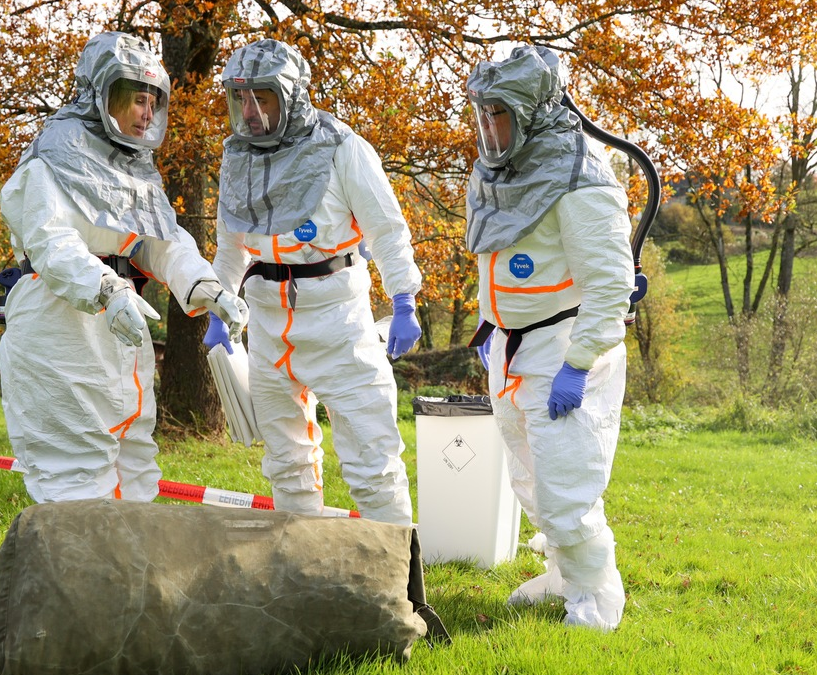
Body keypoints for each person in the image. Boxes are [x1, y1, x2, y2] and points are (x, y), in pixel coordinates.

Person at [0, 31, 247, 503]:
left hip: (119, 333)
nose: (146, 112)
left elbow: (161, 243)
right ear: (98, 93)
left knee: (135, 467)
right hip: (60, 330)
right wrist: (107, 290)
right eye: (134, 98)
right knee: (73, 475)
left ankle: (131, 576)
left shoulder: (133, 170)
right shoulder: (52, 158)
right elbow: (53, 244)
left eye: (153, 99)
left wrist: (210, 288)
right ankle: (73, 577)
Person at [205, 39, 423, 526]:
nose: (250, 110)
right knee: (286, 461)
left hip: (337, 319)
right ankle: (301, 569)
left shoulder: (341, 146)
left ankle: (396, 582)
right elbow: (232, 247)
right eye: (240, 97)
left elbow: (386, 227)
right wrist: (222, 307)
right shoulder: (236, 157)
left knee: (372, 455)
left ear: (290, 95)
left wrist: (403, 297)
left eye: (261, 96)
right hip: (266, 322)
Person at [464, 45, 635, 630]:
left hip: (562, 347)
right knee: (530, 477)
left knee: (566, 480)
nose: (489, 128)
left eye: (499, 113)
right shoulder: (500, 170)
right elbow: (506, 261)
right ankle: (565, 575)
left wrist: (579, 363)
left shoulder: (580, 176)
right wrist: (491, 323)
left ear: (532, 110)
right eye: (482, 114)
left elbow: (611, 286)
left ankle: (597, 593)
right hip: (511, 347)